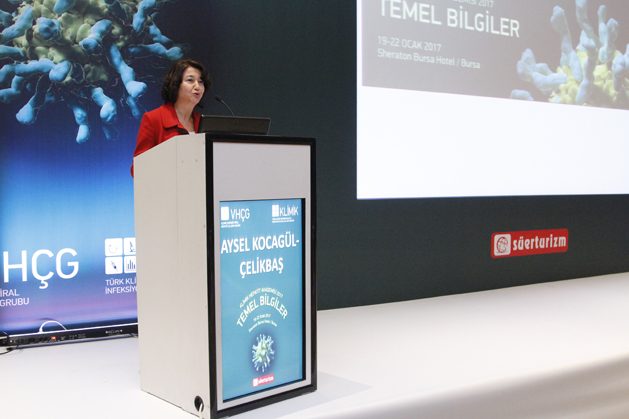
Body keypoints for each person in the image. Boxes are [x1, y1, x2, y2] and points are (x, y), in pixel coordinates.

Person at [131, 58, 210, 176]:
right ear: (176, 84)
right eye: (190, 80)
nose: (197, 86)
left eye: (201, 82)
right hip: (165, 186)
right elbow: (137, 169)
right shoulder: (154, 119)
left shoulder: (202, 121)